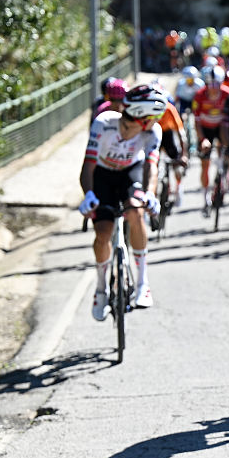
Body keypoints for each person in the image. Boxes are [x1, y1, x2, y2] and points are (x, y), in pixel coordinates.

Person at [78, 86, 167, 318]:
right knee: (103, 233)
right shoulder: (103, 123)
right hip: (103, 176)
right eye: (155, 116)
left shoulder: (153, 132)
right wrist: (88, 194)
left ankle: (143, 283)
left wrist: (150, 193)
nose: (157, 121)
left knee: (136, 212)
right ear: (142, 116)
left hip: (130, 173)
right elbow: (88, 165)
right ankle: (101, 288)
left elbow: (151, 166)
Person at [192, 66, 229, 211]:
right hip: (205, 129)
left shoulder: (228, 94)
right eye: (211, 84)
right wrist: (202, 139)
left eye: (217, 84)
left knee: (227, 152)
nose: (214, 88)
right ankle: (205, 195)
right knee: (205, 163)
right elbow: (196, 121)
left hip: (221, 127)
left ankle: (225, 176)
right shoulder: (199, 95)